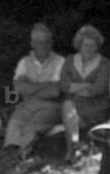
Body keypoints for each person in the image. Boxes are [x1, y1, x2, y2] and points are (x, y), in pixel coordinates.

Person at [4, 23, 65, 159]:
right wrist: (46, 85)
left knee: (32, 127)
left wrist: (30, 87)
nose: (42, 46)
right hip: (27, 105)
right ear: (32, 44)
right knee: (15, 122)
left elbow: (55, 92)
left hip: (51, 106)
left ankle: (22, 157)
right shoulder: (24, 62)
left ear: (51, 43)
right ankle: (11, 157)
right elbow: (18, 88)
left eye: (45, 42)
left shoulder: (60, 61)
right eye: (38, 42)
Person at [59, 24, 110, 162]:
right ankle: (74, 146)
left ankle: (72, 151)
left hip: (97, 106)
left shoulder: (104, 63)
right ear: (79, 45)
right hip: (75, 104)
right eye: (85, 45)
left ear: (97, 46)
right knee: (68, 106)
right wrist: (85, 86)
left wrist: (75, 87)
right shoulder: (70, 60)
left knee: (69, 109)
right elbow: (63, 85)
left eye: (92, 45)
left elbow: (98, 89)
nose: (88, 48)